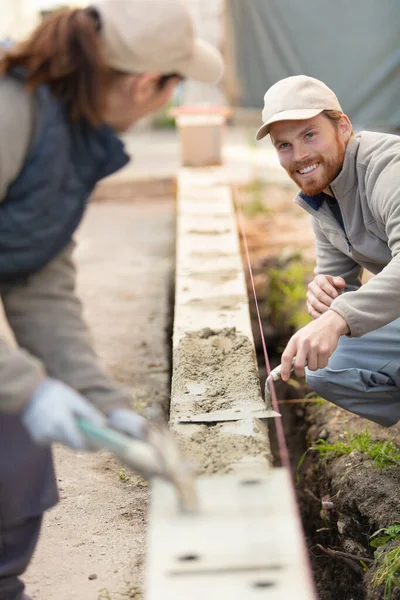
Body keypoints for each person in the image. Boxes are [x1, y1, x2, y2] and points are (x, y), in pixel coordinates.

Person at [0, 1, 223, 598]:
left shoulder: (67, 130)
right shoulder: (9, 113)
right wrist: (25, 387)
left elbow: (34, 277)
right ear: (148, 84)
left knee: (18, 471)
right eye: (173, 89)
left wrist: (103, 403)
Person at [256, 75, 400, 428]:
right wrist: (325, 294)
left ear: (343, 127)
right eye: (283, 145)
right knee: (325, 368)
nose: (299, 156)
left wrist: (338, 318)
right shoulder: (322, 195)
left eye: (309, 135)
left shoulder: (388, 171)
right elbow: (338, 281)